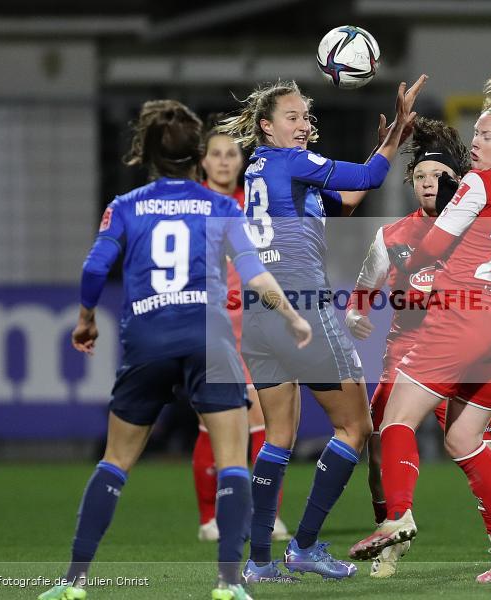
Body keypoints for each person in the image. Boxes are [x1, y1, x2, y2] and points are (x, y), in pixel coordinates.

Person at [38, 100, 311, 600]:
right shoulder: (221, 207)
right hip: (208, 338)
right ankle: (229, 583)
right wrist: (291, 316)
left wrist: (86, 318)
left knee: (115, 461)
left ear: (146, 153)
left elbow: (95, 267)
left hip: (147, 337)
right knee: (233, 460)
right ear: (197, 154)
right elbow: (253, 271)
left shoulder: (125, 205)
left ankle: (73, 581)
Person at [349, 74, 491, 583]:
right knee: (466, 439)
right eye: (476, 134)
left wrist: (413, 266)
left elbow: (432, 246)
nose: (476, 143)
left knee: (396, 419)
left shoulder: (478, 183)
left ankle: (397, 517)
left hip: (465, 317)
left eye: (486, 136)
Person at [216, 74, 426, 582]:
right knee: (355, 429)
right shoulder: (292, 162)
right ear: (266, 127)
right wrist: (396, 134)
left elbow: (347, 200)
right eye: (291, 116)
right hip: (302, 307)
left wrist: (384, 143)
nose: (303, 124)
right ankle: (304, 546)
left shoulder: (268, 173)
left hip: (260, 316)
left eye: (306, 116)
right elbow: (368, 177)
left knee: (278, 436)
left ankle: (259, 562)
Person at [346, 117, 491, 578]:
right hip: (406, 353)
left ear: (458, 181)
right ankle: (391, 537)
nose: (427, 183)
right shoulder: (391, 236)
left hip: (463, 352)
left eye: (438, 175)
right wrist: (356, 315)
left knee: (482, 452)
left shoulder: (477, 230)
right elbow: (362, 290)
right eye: (420, 175)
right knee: (379, 445)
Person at [193, 122, 291, 544]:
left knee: (263, 420)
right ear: (203, 161)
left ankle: (265, 515)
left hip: (254, 325)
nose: (224, 161)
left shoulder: (253, 205)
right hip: (208, 326)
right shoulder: (190, 207)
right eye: (216, 154)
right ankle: (210, 517)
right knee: (213, 422)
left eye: (231, 154)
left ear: (241, 162)